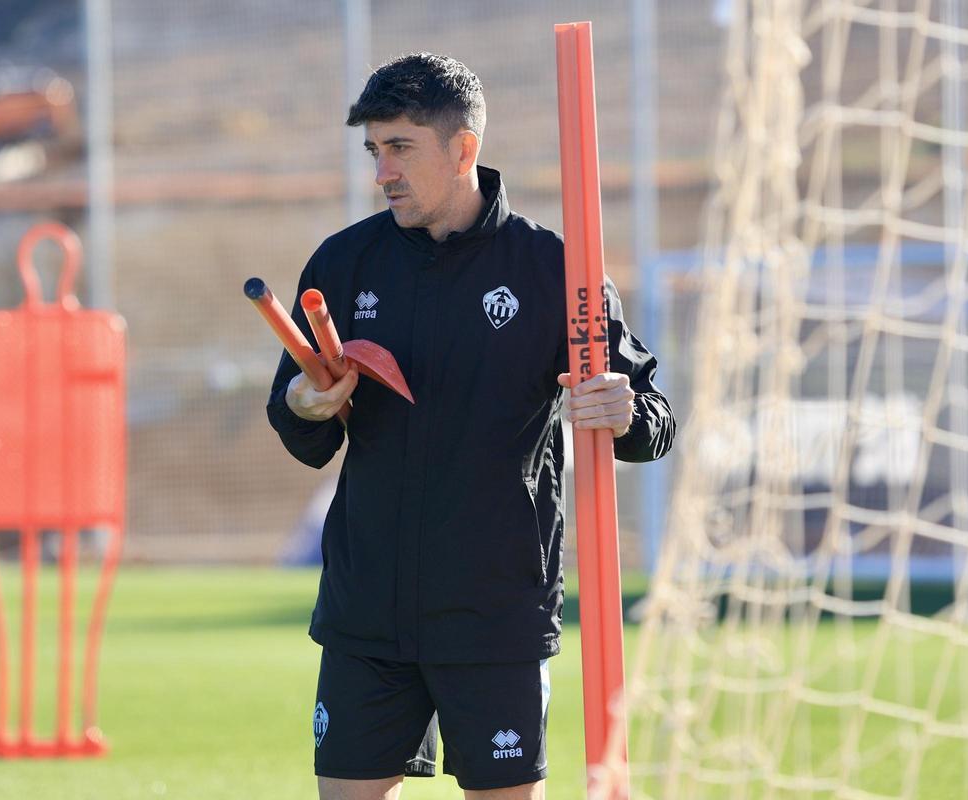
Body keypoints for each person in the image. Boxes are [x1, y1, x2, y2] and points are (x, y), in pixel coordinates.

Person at [265, 52, 675, 800]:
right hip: (368, 611)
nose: (381, 170)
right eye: (373, 149)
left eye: (400, 148)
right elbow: (298, 419)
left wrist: (623, 410)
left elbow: (653, 418)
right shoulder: (345, 261)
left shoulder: (557, 268)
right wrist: (304, 406)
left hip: (495, 614)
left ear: (463, 149)